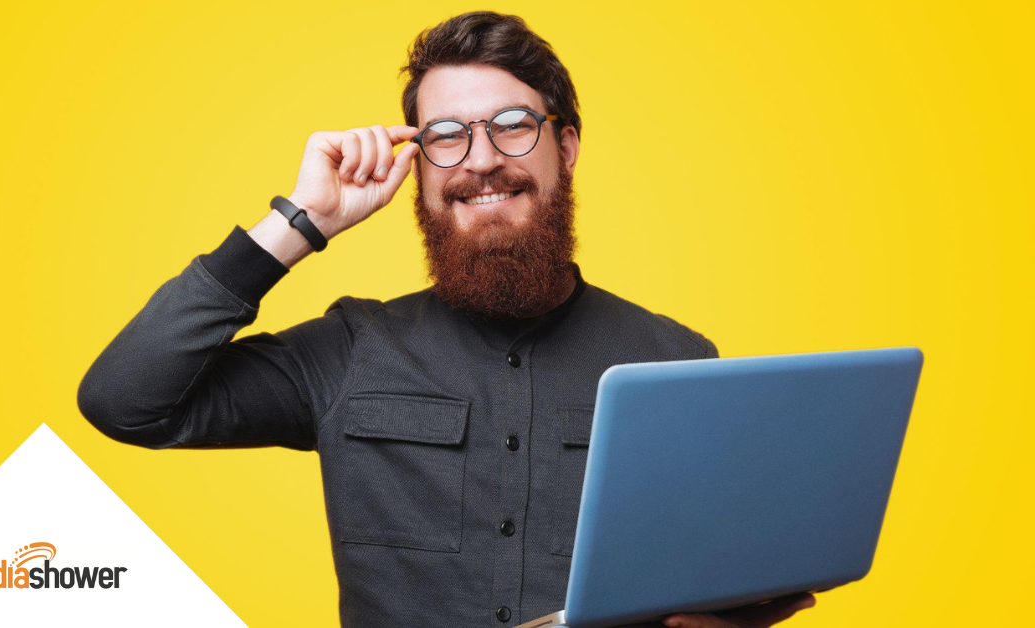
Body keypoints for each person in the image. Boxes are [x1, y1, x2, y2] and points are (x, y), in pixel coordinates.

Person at [78, 10, 815, 628]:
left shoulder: (679, 360)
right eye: (447, 136)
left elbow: (718, 579)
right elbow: (124, 402)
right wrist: (298, 224)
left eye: (512, 126)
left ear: (566, 146)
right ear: (419, 167)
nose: (482, 160)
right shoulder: (347, 352)